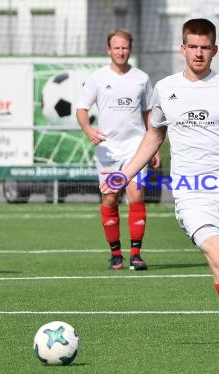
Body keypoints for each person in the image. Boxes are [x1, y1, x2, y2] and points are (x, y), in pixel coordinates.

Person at [100, 18, 219, 354]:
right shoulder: (165, 88)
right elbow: (154, 135)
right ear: (182, 48)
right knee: (217, 257)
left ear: (215, 50)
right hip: (191, 193)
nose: (199, 53)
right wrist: (124, 175)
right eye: (193, 47)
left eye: (205, 48)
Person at [76, 28, 161, 270]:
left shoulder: (142, 78)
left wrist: (152, 148)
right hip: (107, 149)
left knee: (136, 195)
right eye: (116, 47)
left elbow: (148, 114)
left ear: (130, 49)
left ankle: (136, 254)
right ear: (108, 50)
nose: (121, 51)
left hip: (136, 146)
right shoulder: (97, 78)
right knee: (110, 198)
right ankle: (115, 254)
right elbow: (81, 108)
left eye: (124, 47)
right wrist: (88, 130)